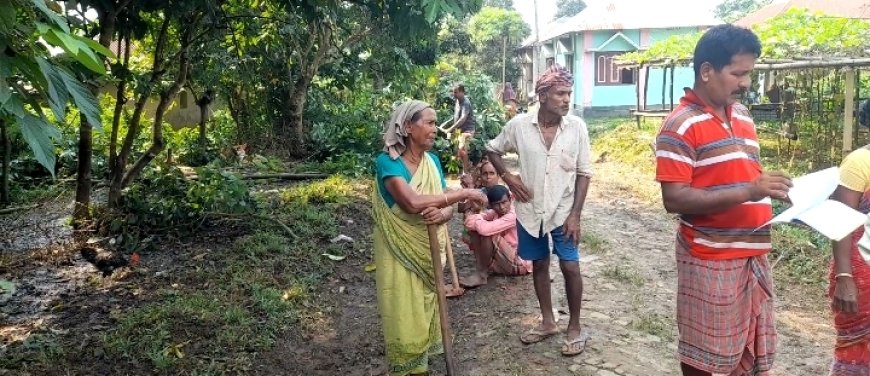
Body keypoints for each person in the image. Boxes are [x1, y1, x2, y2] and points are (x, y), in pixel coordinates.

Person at [654, 25, 793, 376]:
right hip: (710, 257)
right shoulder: (680, 126)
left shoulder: (743, 116)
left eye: (749, 73)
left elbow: (742, 175)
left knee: (746, 351)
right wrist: (750, 192)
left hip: (752, 254)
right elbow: (675, 199)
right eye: (738, 73)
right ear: (706, 71)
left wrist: (773, 190)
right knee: (704, 354)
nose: (745, 83)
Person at [372, 100, 487, 376]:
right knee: (404, 314)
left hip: (430, 256)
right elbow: (412, 203)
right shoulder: (388, 163)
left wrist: (445, 214)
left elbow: (443, 202)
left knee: (425, 310)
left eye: (436, 123)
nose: (436, 129)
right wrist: (462, 194)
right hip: (401, 254)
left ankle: (421, 368)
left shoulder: (432, 162)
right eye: (430, 122)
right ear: (408, 127)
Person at [486, 64, 593, 357]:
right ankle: (548, 321)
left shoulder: (576, 128)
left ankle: (574, 326)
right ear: (543, 95)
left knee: (571, 266)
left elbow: (584, 173)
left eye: (569, 93)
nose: (566, 99)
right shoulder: (519, 125)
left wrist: (576, 215)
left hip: (563, 210)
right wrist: (508, 177)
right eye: (560, 93)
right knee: (540, 264)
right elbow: (492, 149)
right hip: (530, 211)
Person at [827, 146, 870, 375]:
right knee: (857, 351)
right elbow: (840, 220)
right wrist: (844, 277)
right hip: (861, 275)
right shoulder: (860, 162)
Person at [459, 184, 532, 287]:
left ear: (510, 199)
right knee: (474, 232)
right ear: (491, 205)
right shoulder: (495, 212)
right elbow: (468, 222)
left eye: (504, 202)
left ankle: (481, 274)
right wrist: (476, 219)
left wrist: (475, 218)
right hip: (506, 259)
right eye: (497, 204)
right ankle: (481, 269)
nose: (501, 207)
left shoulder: (513, 214)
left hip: (520, 263)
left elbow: (483, 228)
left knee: (488, 234)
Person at [443, 84, 477, 173]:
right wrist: (446, 123)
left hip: (468, 130)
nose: (454, 94)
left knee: (462, 149)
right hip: (459, 130)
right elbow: (455, 116)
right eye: (453, 92)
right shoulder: (457, 101)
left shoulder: (466, 103)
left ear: (462, 92)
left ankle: (465, 172)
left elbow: (462, 119)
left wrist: (450, 129)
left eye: (456, 92)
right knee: (457, 151)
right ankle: (467, 167)